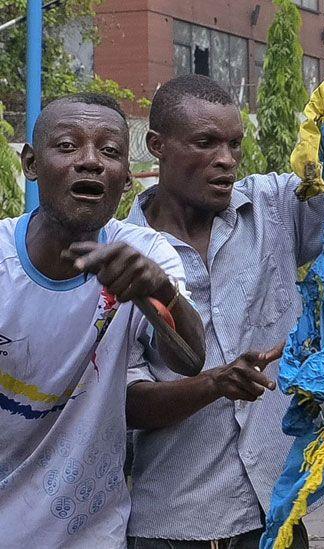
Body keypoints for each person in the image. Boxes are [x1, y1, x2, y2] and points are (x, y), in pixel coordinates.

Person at [123, 65, 324, 548]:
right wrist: (213, 385)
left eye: (234, 145)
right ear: (157, 146)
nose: (225, 160)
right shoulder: (121, 256)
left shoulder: (274, 206)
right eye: (205, 143)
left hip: (276, 513)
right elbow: (129, 402)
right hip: (170, 524)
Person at [0, 93, 205, 547]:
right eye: (68, 146)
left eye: (109, 152)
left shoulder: (145, 255)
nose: (90, 162)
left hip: (91, 534)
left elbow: (191, 358)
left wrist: (159, 291)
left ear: (127, 179)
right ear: (31, 164)